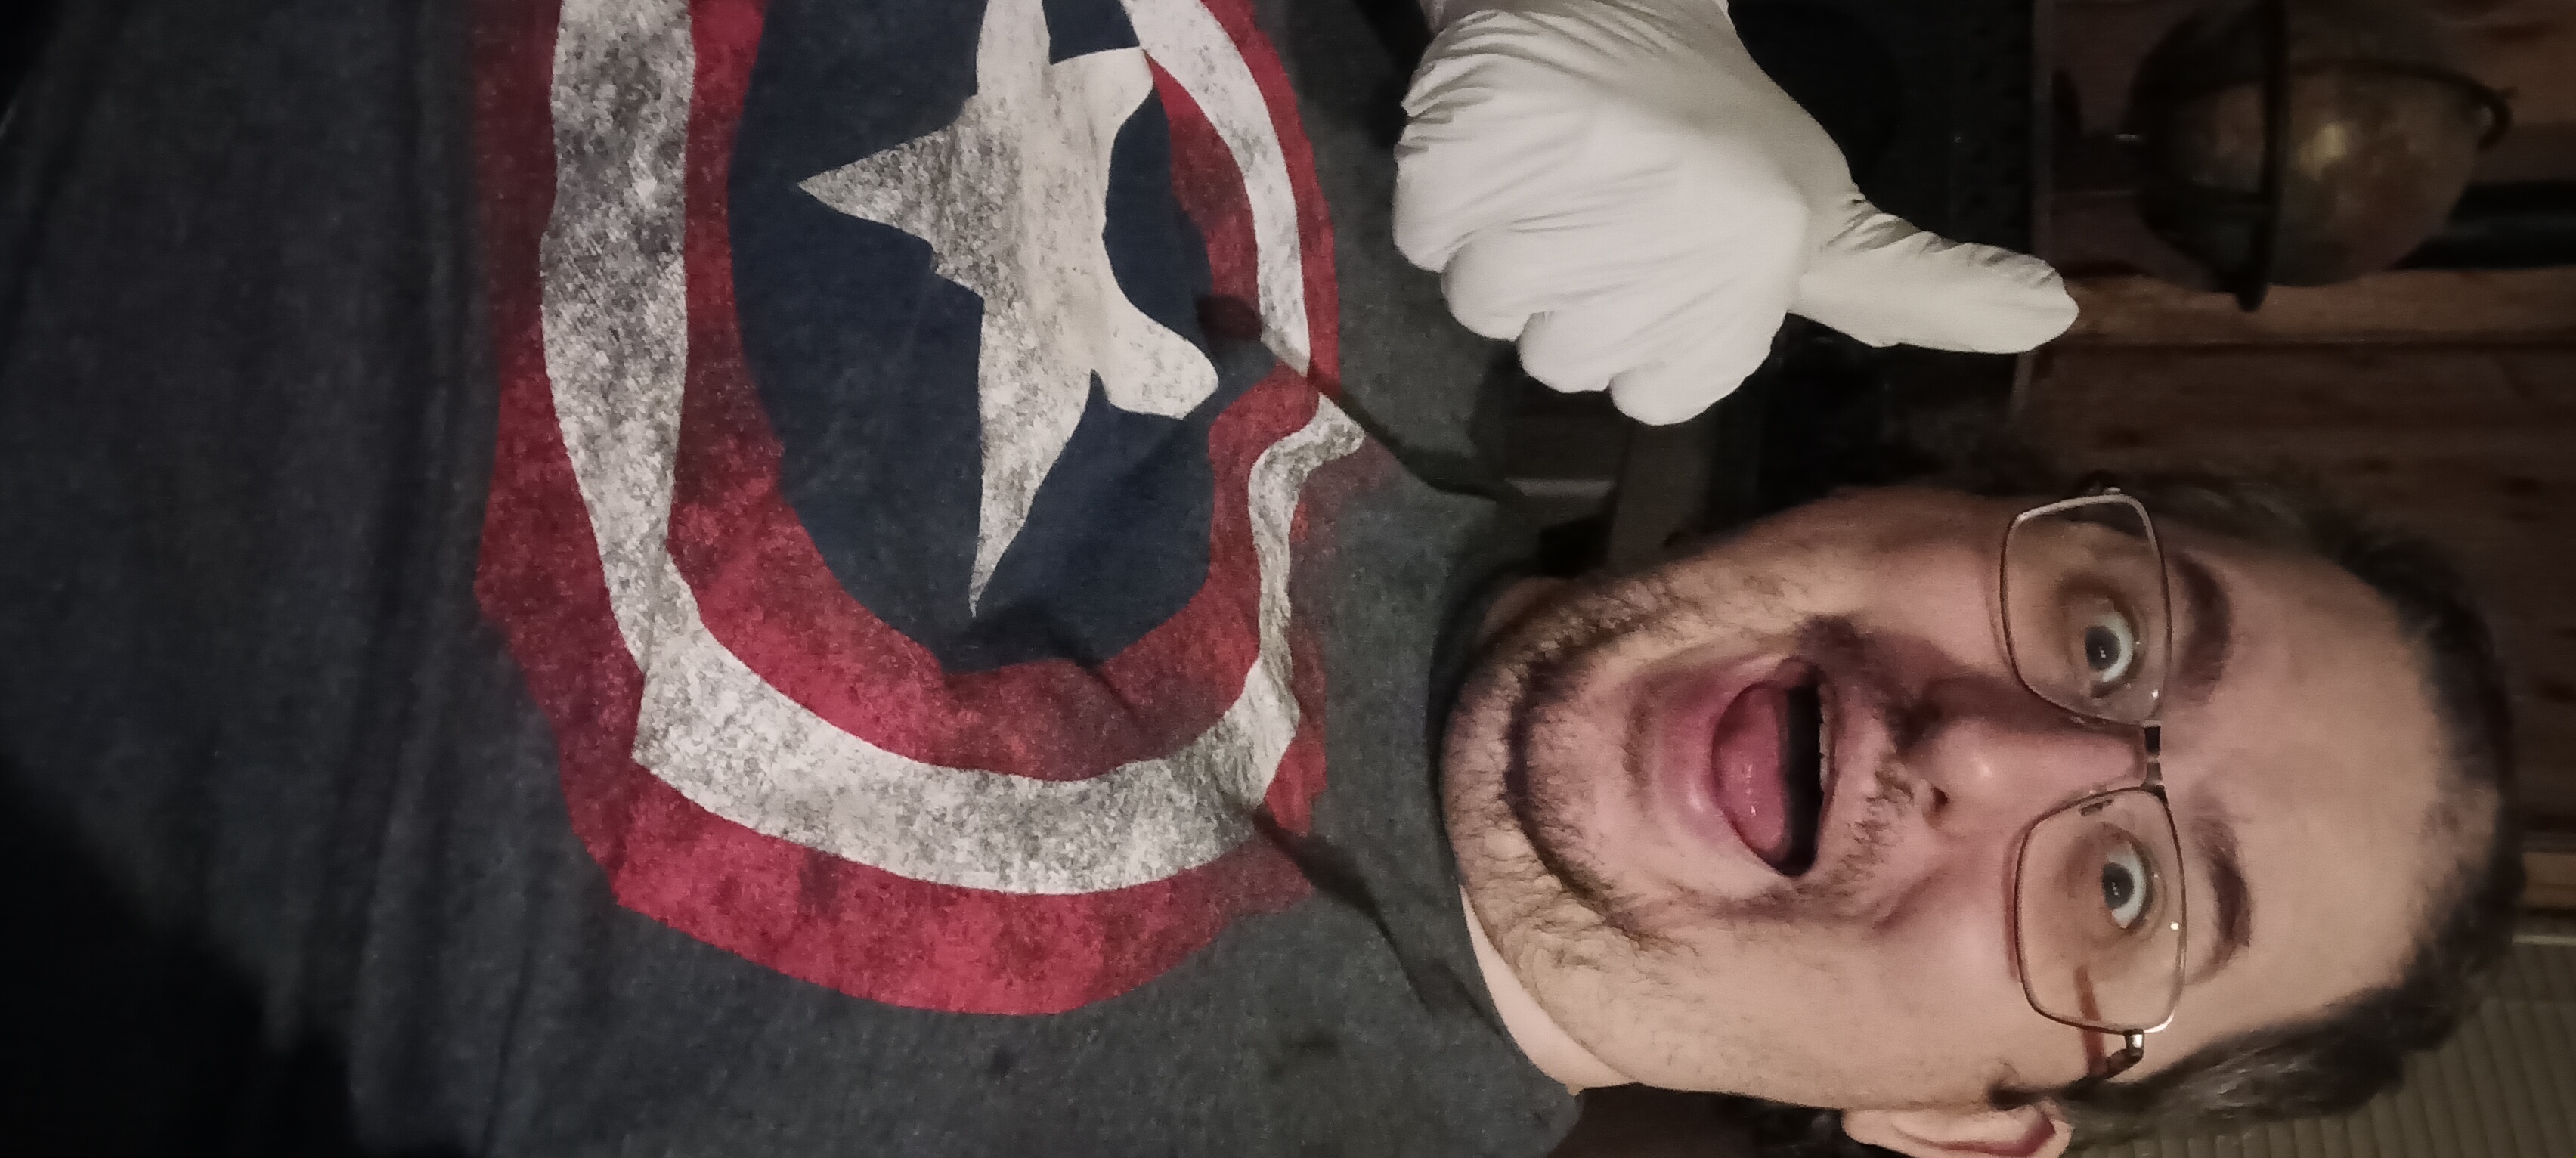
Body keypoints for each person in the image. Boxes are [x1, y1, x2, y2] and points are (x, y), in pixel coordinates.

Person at [0, 0, 2517, 1156]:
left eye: (2123, 888)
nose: (2006, 747)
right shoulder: (1484, 177)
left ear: (1967, 1130)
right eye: (2110, 634)